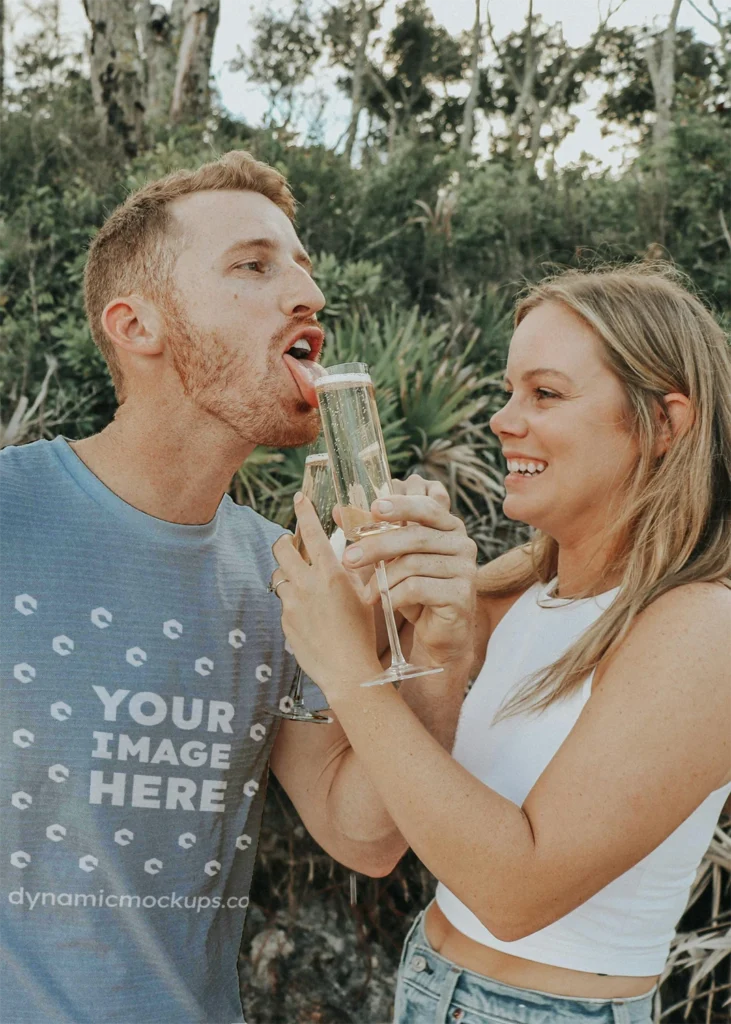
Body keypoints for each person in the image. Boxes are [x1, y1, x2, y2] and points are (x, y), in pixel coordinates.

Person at [0, 151, 476, 1024]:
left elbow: (362, 835)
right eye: (254, 266)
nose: (307, 295)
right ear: (136, 325)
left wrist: (441, 650)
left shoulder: (283, 574)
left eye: (302, 267)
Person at [272, 265, 731, 1024]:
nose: (502, 420)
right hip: (427, 979)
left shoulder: (702, 626)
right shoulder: (517, 587)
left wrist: (350, 669)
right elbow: (364, 833)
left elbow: (516, 892)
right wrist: (423, 640)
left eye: (544, 393)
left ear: (664, 424)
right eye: (509, 390)